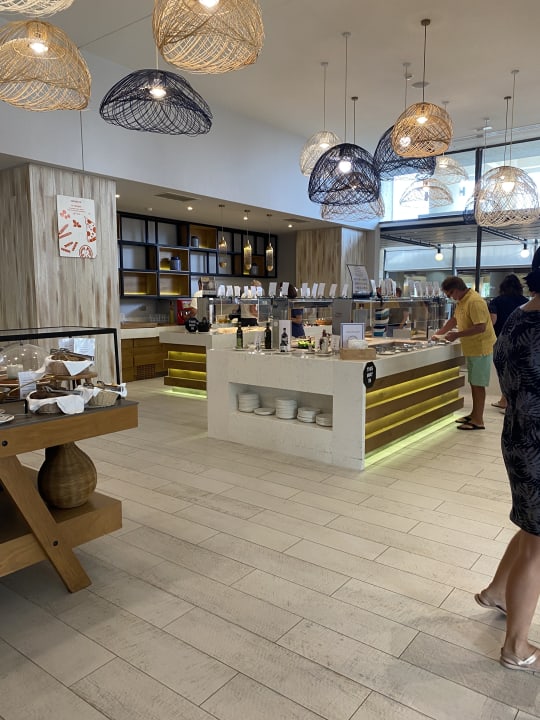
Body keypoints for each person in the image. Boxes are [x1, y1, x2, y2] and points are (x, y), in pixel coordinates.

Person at [474, 249, 540, 672]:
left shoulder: (518, 317)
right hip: (536, 442)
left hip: (518, 437)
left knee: (532, 529)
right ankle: (516, 647)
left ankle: (497, 592)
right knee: (538, 544)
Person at [433, 276, 496, 430]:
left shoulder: (474, 301)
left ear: (456, 289)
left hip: (480, 348)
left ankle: (478, 420)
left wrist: (456, 335)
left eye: (450, 294)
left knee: (478, 385)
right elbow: (454, 319)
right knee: (474, 383)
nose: (450, 297)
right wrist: (440, 333)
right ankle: (474, 414)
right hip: (472, 348)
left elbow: (480, 327)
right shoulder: (462, 300)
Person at [488, 274, 528, 410]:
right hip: (522, 341)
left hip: (502, 340)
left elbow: (493, 321)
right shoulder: (525, 302)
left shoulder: (496, 301)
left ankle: (505, 401)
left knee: (504, 372)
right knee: (518, 372)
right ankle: (509, 401)